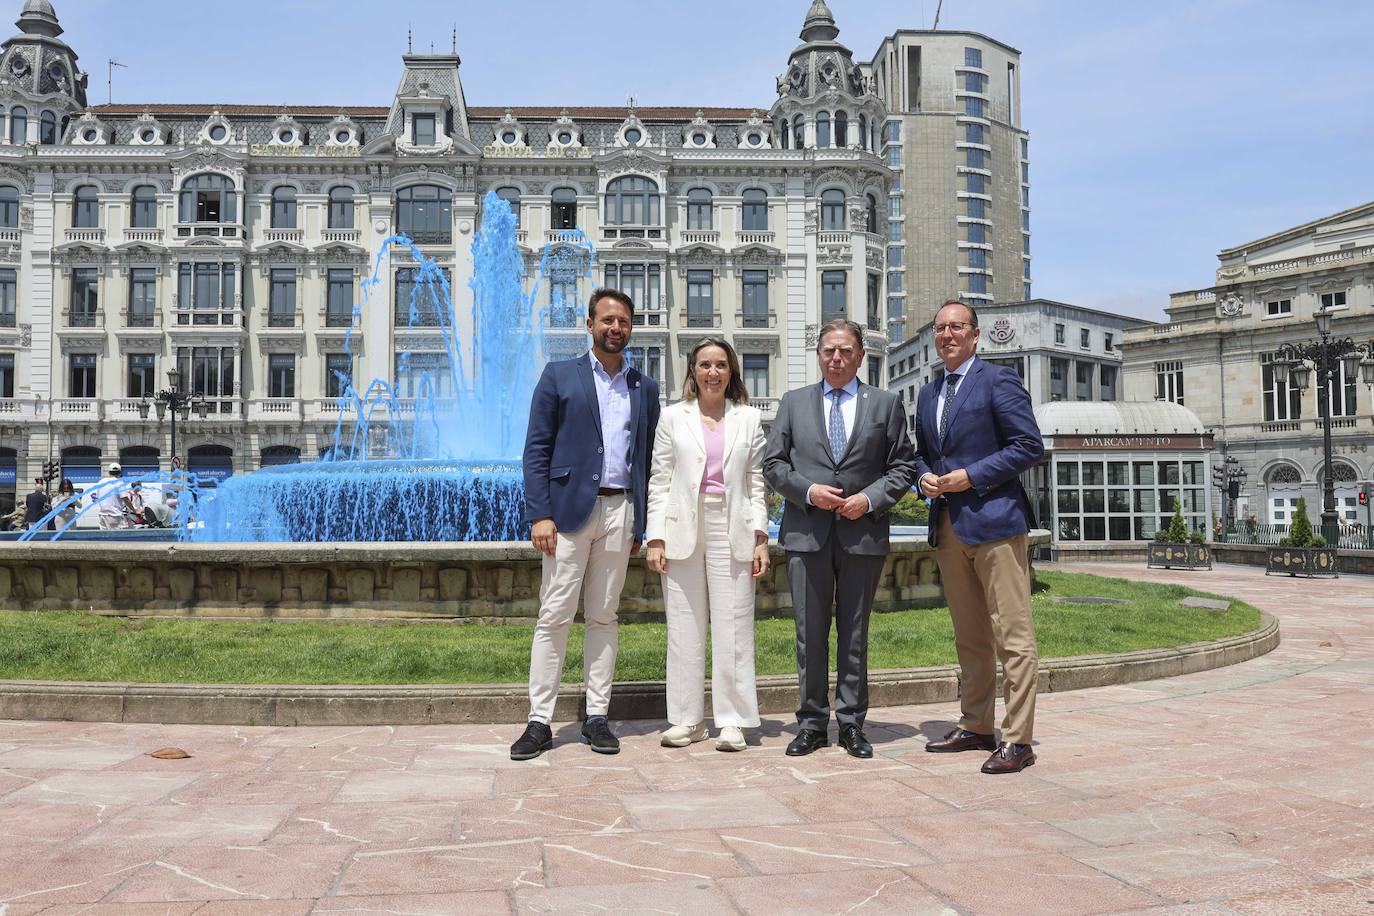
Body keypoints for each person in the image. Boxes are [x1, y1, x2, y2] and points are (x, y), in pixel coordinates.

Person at [510, 287, 661, 761]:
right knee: (553, 616)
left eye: (623, 322)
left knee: (603, 615)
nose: (615, 328)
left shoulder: (645, 387)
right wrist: (540, 513)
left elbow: (650, 459)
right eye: (607, 320)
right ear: (590, 323)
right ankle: (539, 721)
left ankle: (597, 717)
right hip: (567, 515)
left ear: (631, 328)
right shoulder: (559, 376)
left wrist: (645, 522)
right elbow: (536, 449)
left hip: (621, 512)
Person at [763, 318, 917, 758]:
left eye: (845, 350)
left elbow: (903, 467)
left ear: (860, 356)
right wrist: (809, 492)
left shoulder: (885, 404)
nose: (836, 357)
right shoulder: (793, 403)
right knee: (809, 633)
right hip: (806, 534)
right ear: (818, 354)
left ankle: (851, 724)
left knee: (854, 632)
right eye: (829, 350)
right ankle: (811, 723)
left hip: (862, 535)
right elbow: (774, 465)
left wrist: (868, 500)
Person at [913, 299, 1044, 774]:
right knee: (969, 636)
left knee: (1013, 634)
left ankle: (1018, 739)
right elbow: (922, 453)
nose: (947, 334)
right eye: (940, 327)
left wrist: (972, 476)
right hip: (948, 526)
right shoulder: (929, 394)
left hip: (995, 523)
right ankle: (976, 725)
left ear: (975, 334)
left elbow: (1029, 445)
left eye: (957, 327)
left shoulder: (998, 380)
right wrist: (924, 477)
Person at [646, 338, 770, 752]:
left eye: (720, 365)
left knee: (734, 623)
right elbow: (659, 481)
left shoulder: (749, 420)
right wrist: (656, 537)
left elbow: (756, 483)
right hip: (682, 524)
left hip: (731, 523)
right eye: (704, 365)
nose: (713, 372)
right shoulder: (671, 418)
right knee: (684, 625)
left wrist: (761, 538)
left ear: (731, 371)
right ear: (693, 372)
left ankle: (732, 720)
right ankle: (687, 719)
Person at [94, 462, 130, 530]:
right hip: (115, 515)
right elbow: (126, 499)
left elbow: (98, 497)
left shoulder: (101, 482)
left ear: (109, 472)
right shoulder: (119, 482)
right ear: (120, 472)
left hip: (103, 515)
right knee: (117, 538)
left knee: (104, 538)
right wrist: (134, 510)